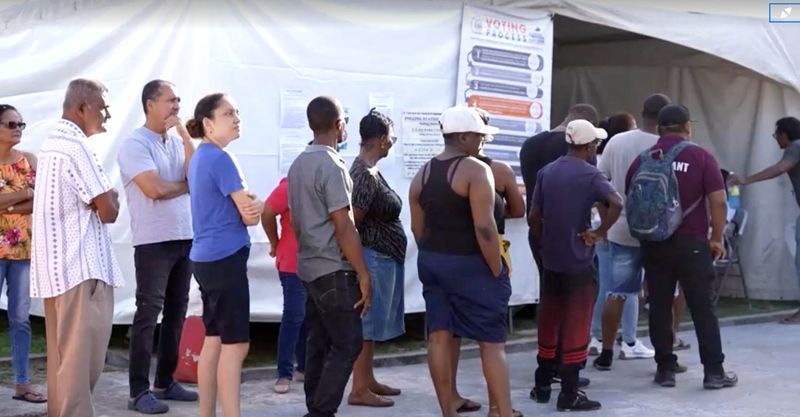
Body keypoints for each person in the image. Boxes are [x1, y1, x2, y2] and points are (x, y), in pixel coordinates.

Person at [409, 106, 516, 417]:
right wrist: (496, 267)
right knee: (492, 341)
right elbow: (484, 227)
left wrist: (434, 254)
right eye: (480, 137)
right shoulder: (475, 169)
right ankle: (501, 412)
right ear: (465, 136)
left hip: (432, 260)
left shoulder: (424, 172)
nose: (482, 143)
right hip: (471, 263)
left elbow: (418, 227)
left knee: (440, 333)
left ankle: (448, 410)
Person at [626, 104, 737, 389]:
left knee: (660, 305)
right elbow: (719, 200)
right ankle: (714, 372)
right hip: (693, 243)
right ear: (687, 127)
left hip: (654, 243)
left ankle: (665, 369)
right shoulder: (700, 156)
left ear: (659, 128)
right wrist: (716, 237)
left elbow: (631, 198)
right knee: (702, 307)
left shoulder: (643, 159)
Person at [31, 78, 125, 417]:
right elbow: (109, 210)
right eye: (104, 107)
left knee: (63, 360)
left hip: (57, 270)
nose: (108, 115)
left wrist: (103, 198)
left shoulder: (51, 145)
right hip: (80, 268)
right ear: (82, 107)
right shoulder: (76, 147)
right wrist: (110, 193)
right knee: (80, 363)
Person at [287, 96, 371, 417]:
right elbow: (344, 225)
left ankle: (315, 407)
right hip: (334, 269)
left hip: (308, 266)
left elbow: (295, 220)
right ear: (339, 125)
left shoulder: (297, 165)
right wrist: (363, 273)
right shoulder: (331, 164)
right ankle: (321, 412)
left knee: (319, 341)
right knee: (349, 342)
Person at [529, 119, 620, 411]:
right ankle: (569, 392)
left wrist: (544, 244)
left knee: (550, 317)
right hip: (579, 260)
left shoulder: (548, 171)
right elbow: (616, 202)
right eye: (596, 144)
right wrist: (600, 232)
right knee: (576, 322)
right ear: (589, 146)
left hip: (552, 259)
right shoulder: (591, 175)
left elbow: (534, 216)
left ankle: (542, 383)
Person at [118, 80, 198, 414]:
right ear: (150, 104)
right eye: (170, 100)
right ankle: (139, 391)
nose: (177, 105)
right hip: (153, 241)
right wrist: (185, 185)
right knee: (148, 314)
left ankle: (164, 381)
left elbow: (197, 173)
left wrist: (185, 136)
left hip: (184, 236)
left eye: (179, 100)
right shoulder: (135, 143)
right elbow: (154, 189)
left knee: (177, 312)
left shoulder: (178, 141)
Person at [186, 93, 263, 417]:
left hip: (205, 259)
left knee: (215, 340)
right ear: (208, 123)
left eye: (237, 112)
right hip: (224, 258)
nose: (236, 118)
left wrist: (249, 204)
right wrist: (256, 207)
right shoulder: (220, 158)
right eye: (228, 113)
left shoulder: (202, 157)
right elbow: (248, 214)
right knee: (236, 344)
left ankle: (207, 414)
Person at [519, 103, 599, 391]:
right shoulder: (577, 151)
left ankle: (548, 365)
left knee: (549, 297)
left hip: (539, 232)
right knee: (576, 302)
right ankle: (568, 366)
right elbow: (599, 195)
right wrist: (597, 231)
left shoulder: (530, 145)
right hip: (573, 236)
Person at [590, 97, 669, 371]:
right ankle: (655, 353)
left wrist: (605, 220)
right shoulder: (667, 146)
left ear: (643, 113)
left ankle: (606, 350)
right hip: (660, 233)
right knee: (661, 293)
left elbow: (598, 185)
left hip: (621, 228)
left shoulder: (618, 141)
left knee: (616, 291)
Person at [347, 108, 406, 408]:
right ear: (382, 139)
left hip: (382, 255)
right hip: (373, 257)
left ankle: (367, 380)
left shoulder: (369, 170)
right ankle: (358, 388)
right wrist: (361, 270)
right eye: (392, 137)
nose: (393, 141)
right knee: (366, 325)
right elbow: (352, 223)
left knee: (370, 326)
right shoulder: (363, 174)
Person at [730, 117, 800, 324]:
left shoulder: (795, 147)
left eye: (776, 135)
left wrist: (746, 179)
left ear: (785, 134)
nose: (776, 140)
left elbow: (779, 168)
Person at [0, 105, 45, 404]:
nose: (18, 128)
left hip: (22, 251)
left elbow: (41, 199)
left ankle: (21, 384)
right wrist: (26, 194)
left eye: (21, 123)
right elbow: (32, 193)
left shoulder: (29, 160)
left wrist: (10, 203)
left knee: (20, 319)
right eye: (11, 123)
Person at [262, 177, 306, 394]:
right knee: (294, 316)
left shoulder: (328, 182)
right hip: (292, 262)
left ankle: (304, 368)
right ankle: (284, 373)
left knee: (310, 316)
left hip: (317, 261)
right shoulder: (289, 186)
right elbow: (267, 212)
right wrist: (274, 242)